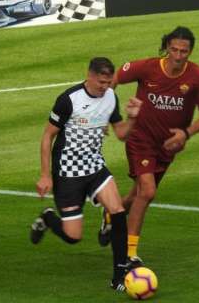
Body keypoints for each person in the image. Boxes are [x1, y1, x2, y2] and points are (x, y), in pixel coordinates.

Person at [98, 26, 199, 267]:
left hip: (168, 147)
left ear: (190, 52)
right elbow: (116, 79)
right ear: (167, 48)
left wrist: (186, 133)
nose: (178, 55)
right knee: (148, 191)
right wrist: (104, 114)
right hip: (140, 139)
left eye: (184, 51)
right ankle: (129, 255)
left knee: (136, 195)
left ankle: (111, 213)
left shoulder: (197, 77)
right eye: (174, 49)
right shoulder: (148, 67)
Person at [30, 57, 142, 291]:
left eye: (108, 81)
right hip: (68, 173)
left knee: (118, 211)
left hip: (94, 166)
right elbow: (47, 136)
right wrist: (45, 175)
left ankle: (119, 276)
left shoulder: (111, 96)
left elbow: (121, 133)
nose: (105, 86)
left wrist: (132, 118)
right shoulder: (68, 100)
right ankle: (49, 218)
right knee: (73, 236)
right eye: (101, 81)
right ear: (89, 76)